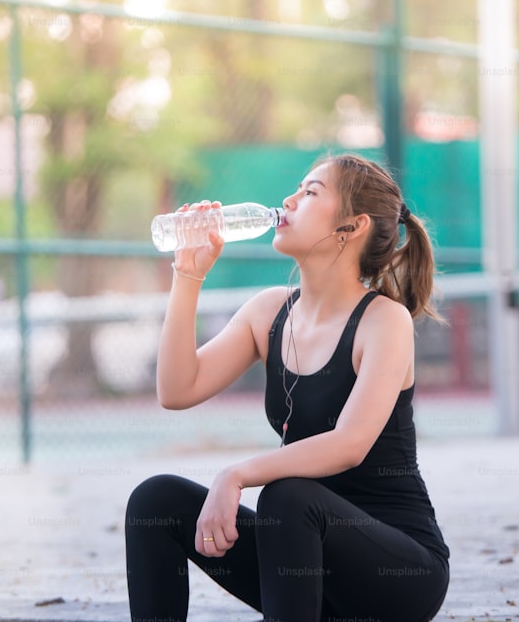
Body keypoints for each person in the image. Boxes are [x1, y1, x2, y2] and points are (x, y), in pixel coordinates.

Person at [125, 153, 450, 621]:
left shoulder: (384, 321)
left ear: (351, 227)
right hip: (301, 558)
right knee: (155, 500)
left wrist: (235, 474)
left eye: (311, 192)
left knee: (286, 495)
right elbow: (177, 389)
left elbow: (350, 444)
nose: (289, 200)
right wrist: (188, 275)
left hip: (395, 574)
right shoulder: (269, 312)